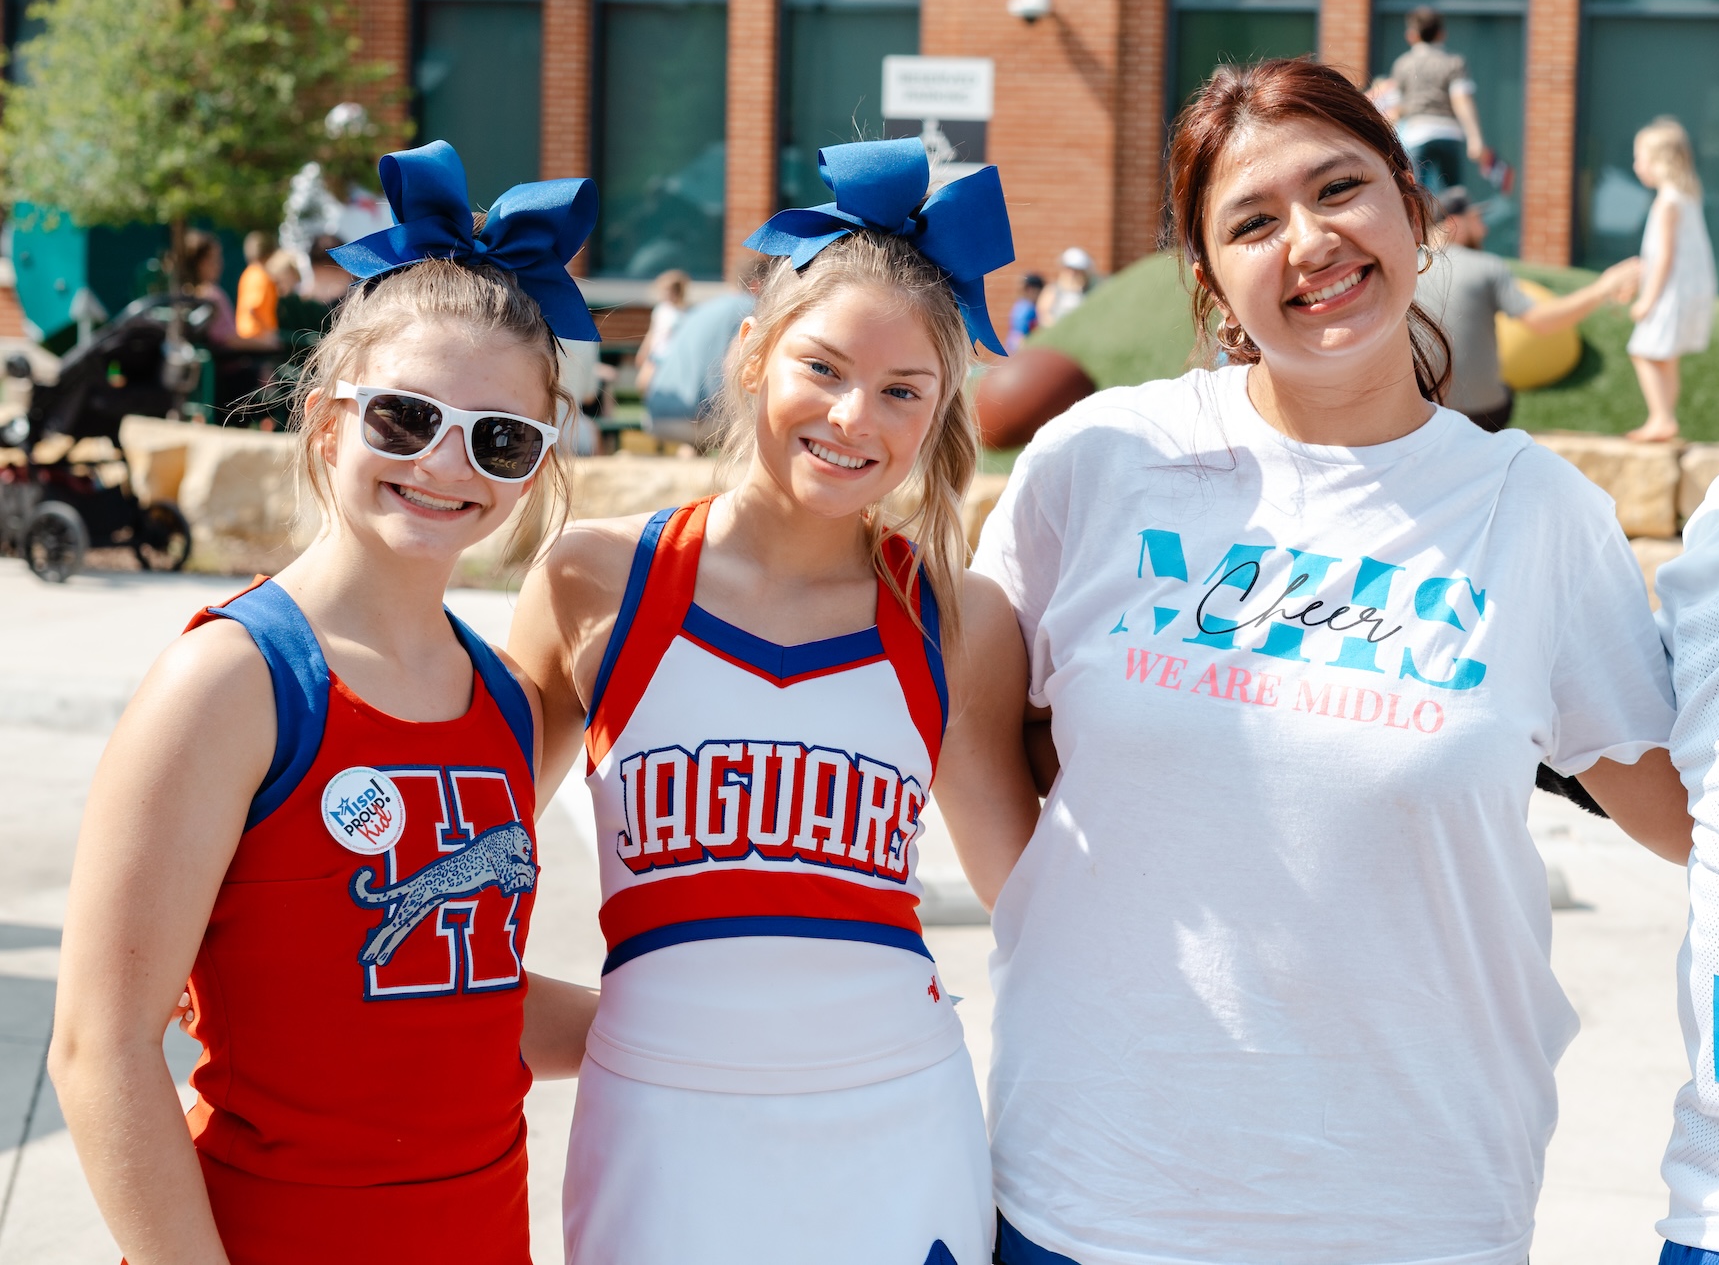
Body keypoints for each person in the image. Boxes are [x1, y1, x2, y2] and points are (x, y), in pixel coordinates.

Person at [970, 57, 1690, 1265]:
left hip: (1412, 1204)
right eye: (1252, 220)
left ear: (1412, 209)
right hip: (1094, 1194)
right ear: (1207, 277)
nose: (1308, 239)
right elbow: (970, 715)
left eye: (1339, 188)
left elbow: (1677, 811)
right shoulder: (1101, 459)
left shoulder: (1536, 511)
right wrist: (1043, 908)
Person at [47, 143, 602, 1265]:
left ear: (536, 468)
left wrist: (723, 1019)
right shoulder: (231, 682)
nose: (447, 463)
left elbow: (458, 997)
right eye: (405, 417)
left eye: (499, 437)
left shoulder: (504, 699)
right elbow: (99, 1047)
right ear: (326, 415)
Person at [508, 136, 1035, 1265]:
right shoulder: (595, 577)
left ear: (940, 413)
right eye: (825, 368)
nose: (856, 416)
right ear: (752, 352)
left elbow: (1038, 901)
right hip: (662, 1129)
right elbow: (463, 862)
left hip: (899, 1125)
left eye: (904, 390)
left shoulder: (956, 617)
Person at [1417, 186, 1640, 432]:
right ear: (1453, 223)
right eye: (1477, 219)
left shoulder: (1408, 268)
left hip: (1420, 413)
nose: (1485, 229)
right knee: (1504, 393)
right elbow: (1543, 322)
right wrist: (1602, 288)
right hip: (1481, 415)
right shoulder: (1487, 266)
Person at [1624, 118, 1718, 443]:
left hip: (1669, 293)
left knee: (1642, 351)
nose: (1636, 165)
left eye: (1640, 158)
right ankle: (1665, 417)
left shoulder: (1667, 202)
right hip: (1686, 291)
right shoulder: (1685, 196)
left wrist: (1646, 300)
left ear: (1658, 161)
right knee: (1665, 355)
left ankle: (1661, 417)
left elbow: (1663, 257)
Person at [1369, 5, 1504, 195]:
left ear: (1411, 35)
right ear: (1442, 34)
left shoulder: (1402, 65)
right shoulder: (1454, 62)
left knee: (1417, 196)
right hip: (1449, 134)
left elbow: (1397, 110)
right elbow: (1461, 101)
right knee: (1454, 198)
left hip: (1417, 134)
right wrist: (1475, 139)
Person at [642, 260, 764, 448]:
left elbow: (649, 369)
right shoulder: (752, 309)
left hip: (658, 415)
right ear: (757, 285)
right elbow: (733, 366)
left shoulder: (699, 310)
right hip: (702, 419)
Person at [633, 268, 691, 394]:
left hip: (669, 358)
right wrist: (644, 350)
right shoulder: (661, 310)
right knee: (643, 384)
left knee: (659, 387)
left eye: (667, 290)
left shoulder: (682, 315)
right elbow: (652, 332)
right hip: (656, 354)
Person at [233, 232, 285, 346]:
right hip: (257, 337)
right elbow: (253, 308)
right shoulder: (261, 276)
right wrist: (268, 335)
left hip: (248, 335)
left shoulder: (248, 273)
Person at [1036, 246, 1093, 328]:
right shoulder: (1053, 290)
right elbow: (1043, 312)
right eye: (1069, 269)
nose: (1072, 273)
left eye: (1076, 270)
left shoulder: (1088, 292)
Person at [1008, 272, 1047, 351]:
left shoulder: (1022, 305)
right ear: (1031, 289)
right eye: (1040, 290)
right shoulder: (1027, 308)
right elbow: (1019, 335)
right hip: (1020, 351)